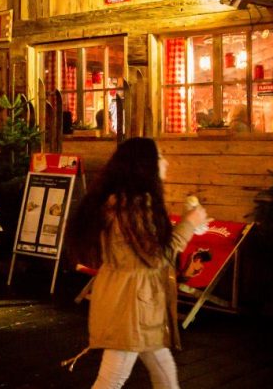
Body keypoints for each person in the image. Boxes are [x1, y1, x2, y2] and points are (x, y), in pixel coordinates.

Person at [65, 137, 208, 389]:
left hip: (134, 300)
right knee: (112, 379)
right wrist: (189, 224)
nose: (166, 161)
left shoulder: (122, 202)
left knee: (163, 370)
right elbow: (154, 258)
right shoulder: (132, 207)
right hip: (131, 305)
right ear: (145, 165)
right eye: (160, 156)